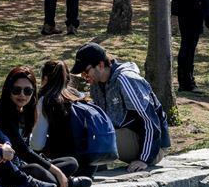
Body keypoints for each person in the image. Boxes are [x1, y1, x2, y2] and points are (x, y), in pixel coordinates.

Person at [0, 67, 92, 187]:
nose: (22, 95)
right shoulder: (2, 113)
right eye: (16, 90)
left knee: (71, 162)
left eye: (28, 91)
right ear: (8, 90)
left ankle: (59, 181)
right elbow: (24, 151)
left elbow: (29, 150)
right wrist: (56, 171)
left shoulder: (25, 111)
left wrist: (51, 166)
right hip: (6, 168)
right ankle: (68, 182)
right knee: (40, 170)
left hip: (22, 163)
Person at [72, 43, 170, 172]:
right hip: (126, 137)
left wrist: (144, 159)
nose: (84, 77)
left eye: (85, 72)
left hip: (152, 148)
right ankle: (94, 171)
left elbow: (150, 120)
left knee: (93, 136)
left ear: (100, 65)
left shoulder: (126, 79)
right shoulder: (97, 84)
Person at [30, 59, 101, 178]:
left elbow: (37, 144)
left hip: (66, 166)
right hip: (89, 166)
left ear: (45, 79)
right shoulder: (80, 97)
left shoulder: (46, 101)